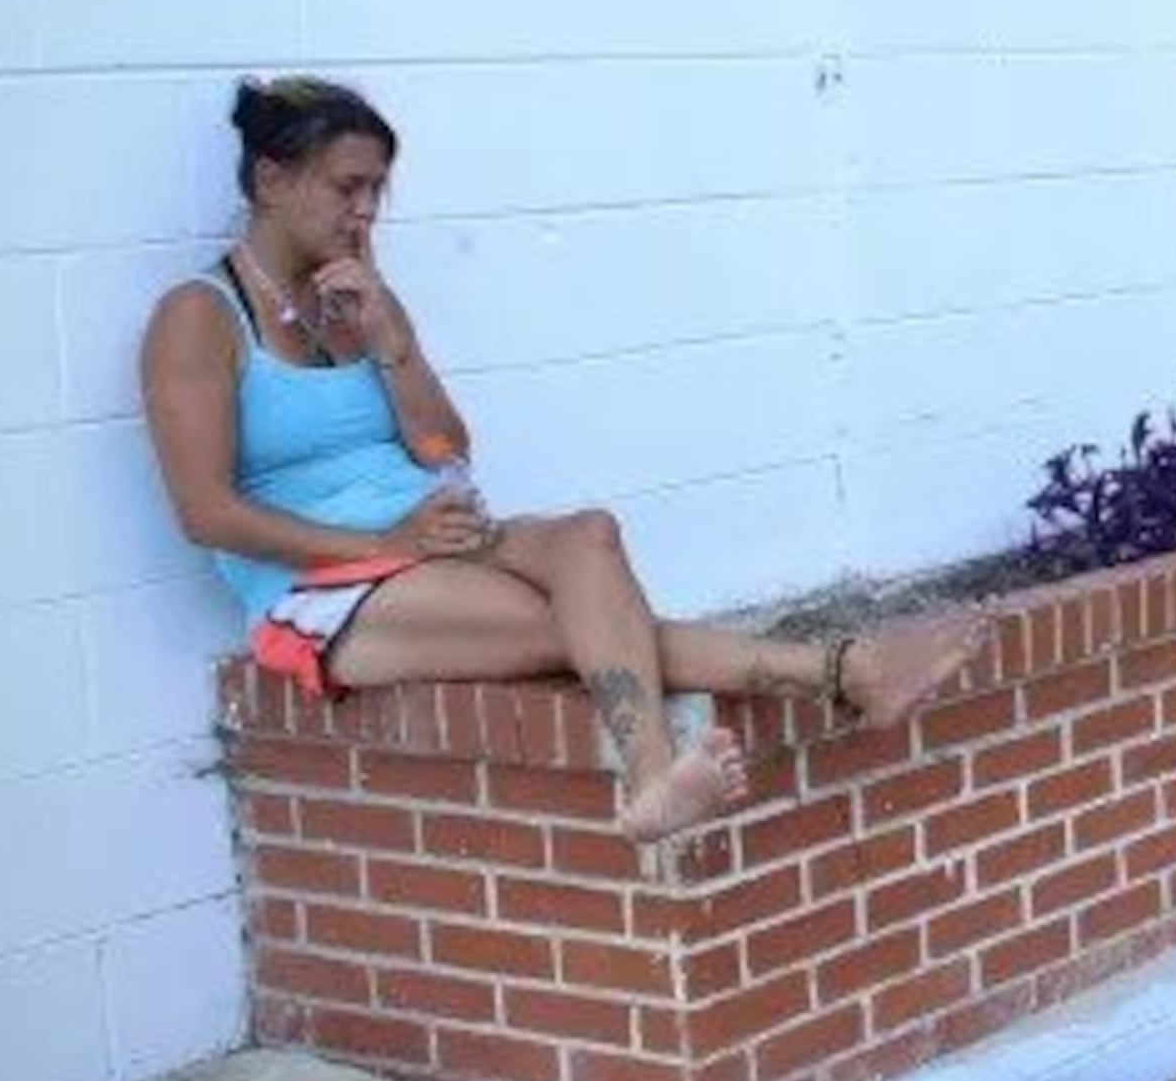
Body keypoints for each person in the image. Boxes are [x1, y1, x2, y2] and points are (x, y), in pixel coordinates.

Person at [141, 75, 985, 844]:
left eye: (376, 192)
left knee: (590, 537)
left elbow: (442, 447)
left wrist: (393, 341)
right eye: (345, 187)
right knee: (580, 630)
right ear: (270, 180)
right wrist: (386, 544)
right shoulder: (199, 315)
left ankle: (831, 686)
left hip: (428, 533)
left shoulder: (354, 291)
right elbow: (205, 513)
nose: (364, 213)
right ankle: (757, 721)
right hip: (317, 590)